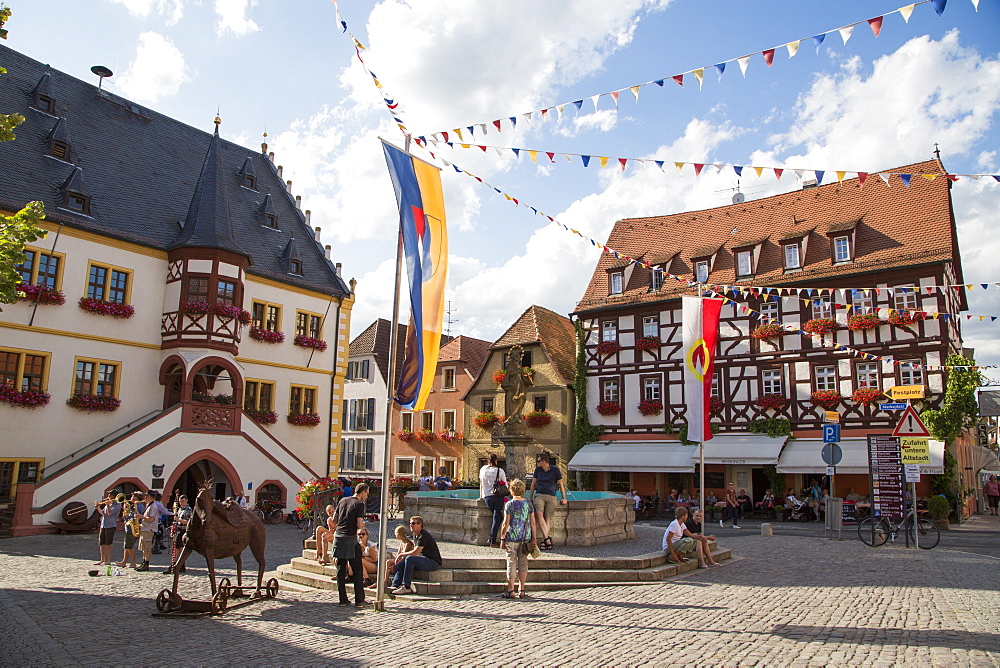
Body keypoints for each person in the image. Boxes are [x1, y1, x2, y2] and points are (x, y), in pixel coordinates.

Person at [498, 478, 538, 599]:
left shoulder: (509, 504)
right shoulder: (528, 504)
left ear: (511, 490)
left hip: (511, 537)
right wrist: (534, 538)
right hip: (525, 538)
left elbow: (505, 523)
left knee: (511, 562)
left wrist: (502, 538)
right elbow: (533, 523)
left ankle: (510, 590)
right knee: (523, 563)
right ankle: (522, 589)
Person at [331, 483, 369, 607]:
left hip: (338, 538)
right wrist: (363, 524)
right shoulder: (359, 504)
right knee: (357, 570)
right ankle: (359, 600)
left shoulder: (343, 500)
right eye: (367, 493)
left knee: (341, 570)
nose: (367, 496)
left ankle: (343, 600)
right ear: (362, 492)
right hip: (350, 539)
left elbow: (334, 520)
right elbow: (359, 524)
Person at [390, 515, 442, 595]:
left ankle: (406, 587)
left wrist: (401, 555)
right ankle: (395, 585)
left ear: (420, 525)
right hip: (423, 560)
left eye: (413, 523)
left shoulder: (423, 535)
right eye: (410, 523)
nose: (411, 525)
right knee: (401, 565)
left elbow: (415, 552)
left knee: (410, 559)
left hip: (432, 562)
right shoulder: (415, 535)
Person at [529, 453, 567, 551]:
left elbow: (561, 484)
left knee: (548, 518)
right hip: (539, 495)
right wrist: (530, 496)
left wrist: (564, 498)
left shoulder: (555, 470)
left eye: (538, 461)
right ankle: (547, 539)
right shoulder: (538, 470)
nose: (537, 463)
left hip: (551, 496)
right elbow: (533, 483)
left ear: (544, 461)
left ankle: (544, 540)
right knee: (539, 513)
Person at [371, 525, 413, 590]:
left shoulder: (408, 543)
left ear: (399, 535)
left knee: (389, 562)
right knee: (387, 562)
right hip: (400, 560)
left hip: (406, 561)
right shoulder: (402, 542)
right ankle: (383, 580)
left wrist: (395, 565)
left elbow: (403, 556)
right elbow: (398, 554)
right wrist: (394, 563)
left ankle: (385, 581)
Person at [479, 453, 508, 546]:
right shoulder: (500, 471)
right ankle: (492, 540)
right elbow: (506, 486)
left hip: (486, 497)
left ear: (488, 460)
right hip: (497, 497)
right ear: (496, 461)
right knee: (497, 517)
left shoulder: (483, 469)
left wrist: (480, 496)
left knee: (498, 517)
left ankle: (493, 539)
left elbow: (481, 483)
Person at [163, 494, 193, 574]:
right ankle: (181, 565)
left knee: (177, 548)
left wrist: (179, 520)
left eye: (183, 501)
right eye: (180, 501)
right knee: (179, 548)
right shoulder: (180, 509)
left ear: (186, 500)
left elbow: (189, 522)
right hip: (178, 529)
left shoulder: (188, 509)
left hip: (183, 530)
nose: (181, 503)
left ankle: (174, 565)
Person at [135, 490, 161, 572]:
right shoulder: (148, 505)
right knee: (144, 548)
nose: (145, 498)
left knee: (147, 548)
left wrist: (140, 516)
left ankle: (146, 563)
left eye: (146, 496)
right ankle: (143, 562)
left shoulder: (153, 507)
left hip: (149, 529)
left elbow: (151, 519)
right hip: (144, 529)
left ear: (151, 497)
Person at [116, 492, 143, 569]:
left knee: (129, 546)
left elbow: (138, 518)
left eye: (132, 496)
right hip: (129, 528)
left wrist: (130, 520)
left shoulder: (139, 506)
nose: (131, 497)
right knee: (126, 546)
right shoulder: (134, 506)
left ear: (136, 498)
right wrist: (126, 516)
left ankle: (133, 563)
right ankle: (124, 562)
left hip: (133, 529)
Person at [94, 491, 122, 566]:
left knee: (108, 543)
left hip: (111, 525)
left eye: (110, 494)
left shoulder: (117, 504)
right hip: (104, 525)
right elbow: (103, 513)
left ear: (114, 496)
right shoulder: (109, 503)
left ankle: (108, 560)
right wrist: (98, 507)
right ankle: (102, 560)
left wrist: (108, 505)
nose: (108, 495)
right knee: (102, 543)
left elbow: (110, 514)